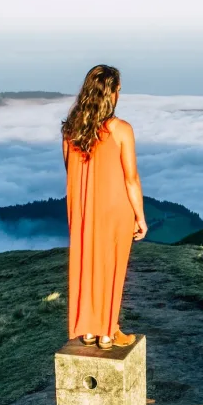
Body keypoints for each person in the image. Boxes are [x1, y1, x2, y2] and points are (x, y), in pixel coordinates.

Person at [61, 64, 147, 349]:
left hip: (82, 208)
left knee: (86, 263)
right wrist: (140, 216)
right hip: (114, 210)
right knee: (112, 268)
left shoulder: (70, 131)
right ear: (112, 93)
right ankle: (109, 332)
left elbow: (69, 169)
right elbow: (131, 179)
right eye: (119, 90)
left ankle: (87, 330)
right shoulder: (121, 129)